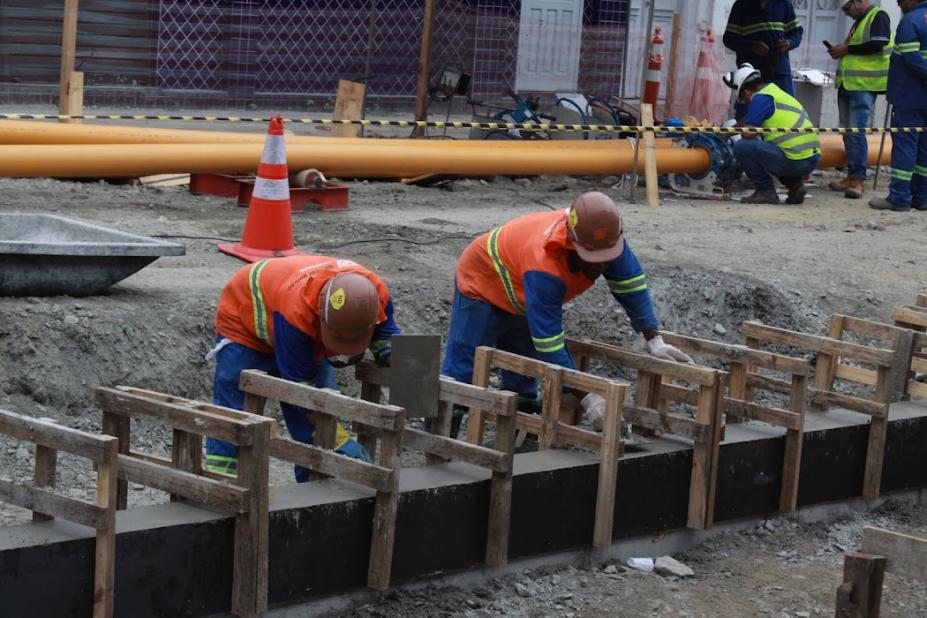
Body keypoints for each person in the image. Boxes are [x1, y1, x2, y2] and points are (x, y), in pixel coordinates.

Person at [441, 192, 692, 436]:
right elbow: (549, 345)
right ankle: (442, 436)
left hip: (521, 287)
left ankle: (521, 441)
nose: (599, 266)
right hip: (482, 282)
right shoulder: (544, 265)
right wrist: (587, 397)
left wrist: (654, 339)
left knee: (522, 373)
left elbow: (630, 285)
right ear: (572, 244)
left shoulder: (606, 240)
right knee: (465, 366)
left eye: (605, 260)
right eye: (592, 259)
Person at [205, 255, 400, 480]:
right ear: (322, 318)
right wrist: (340, 440)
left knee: (322, 412)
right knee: (235, 414)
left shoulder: (375, 295)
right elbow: (300, 392)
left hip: (296, 317)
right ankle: (221, 482)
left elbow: (385, 336)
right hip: (244, 321)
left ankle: (314, 487)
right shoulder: (296, 314)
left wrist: (396, 359)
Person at [724, 63, 821, 204]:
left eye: (741, 96)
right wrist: (727, 133)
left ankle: (765, 191)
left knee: (743, 147)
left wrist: (733, 136)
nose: (743, 101)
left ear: (745, 91)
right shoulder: (774, 93)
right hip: (811, 159)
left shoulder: (759, 99)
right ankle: (794, 186)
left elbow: (747, 133)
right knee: (771, 150)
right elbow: (747, 121)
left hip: (794, 160)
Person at [828, 0, 893, 199]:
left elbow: (877, 43)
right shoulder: (859, 21)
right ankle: (851, 176)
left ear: (858, 2)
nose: (846, 13)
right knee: (848, 133)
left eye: (847, 8)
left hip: (863, 86)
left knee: (856, 133)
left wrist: (846, 50)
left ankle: (857, 179)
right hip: (849, 84)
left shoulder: (878, 17)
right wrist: (842, 49)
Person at [869, 0, 927, 212]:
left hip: (909, 95)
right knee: (924, 149)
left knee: (905, 146)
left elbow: (911, 57)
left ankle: (899, 197)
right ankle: (921, 196)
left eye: (901, 0)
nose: (898, 3)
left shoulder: (910, 21)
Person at [723, 0, 803, 120]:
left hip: (780, 72)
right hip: (751, 76)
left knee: (790, 112)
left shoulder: (784, 4)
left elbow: (797, 32)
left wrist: (789, 43)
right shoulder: (741, 5)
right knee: (746, 117)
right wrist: (751, 46)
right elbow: (728, 39)